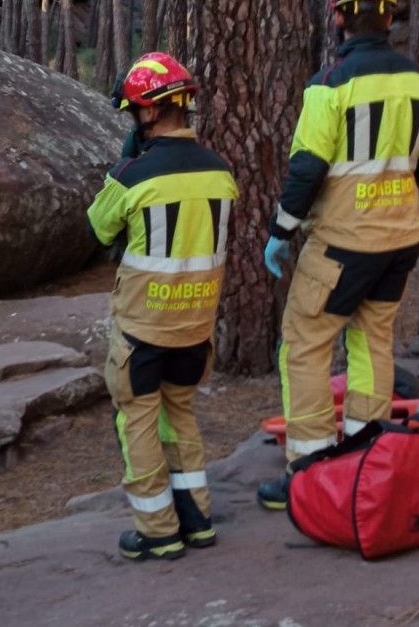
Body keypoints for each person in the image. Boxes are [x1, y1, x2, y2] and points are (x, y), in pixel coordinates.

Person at [256, 0, 419, 509]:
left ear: (339, 19)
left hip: (341, 244)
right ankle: (367, 458)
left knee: (305, 345)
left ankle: (311, 473)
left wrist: (280, 232)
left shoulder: (329, 86)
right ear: (389, 18)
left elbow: (306, 170)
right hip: (399, 242)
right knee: (371, 342)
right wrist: (400, 198)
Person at [87, 52, 239, 561]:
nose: (133, 120)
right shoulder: (221, 174)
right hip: (196, 330)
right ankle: (196, 519)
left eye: (133, 113)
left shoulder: (132, 177)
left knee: (139, 422)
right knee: (181, 415)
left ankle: (157, 530)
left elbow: (99, 228)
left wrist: (126, 162)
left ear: (148, 114)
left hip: (142, 331)